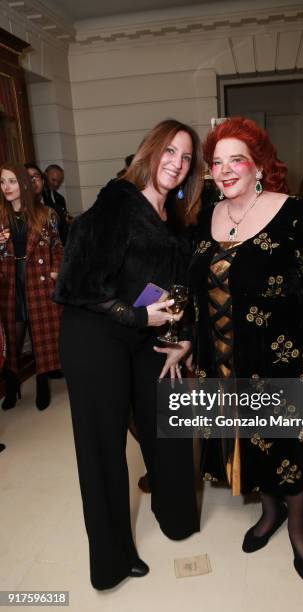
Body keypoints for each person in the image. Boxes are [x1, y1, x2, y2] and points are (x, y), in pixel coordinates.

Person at [54, 119, 203, 590]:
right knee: (103, 449)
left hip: (146, 333)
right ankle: (112, 560)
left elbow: (179, 289)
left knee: (170, 415)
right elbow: (75, 284)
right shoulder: (116, 201)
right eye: (170, 152)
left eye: (186, 157)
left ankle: (175, 516)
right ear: (150, 152)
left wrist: (185, 337)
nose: (176, 164)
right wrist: (140, 318)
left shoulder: (176, 218)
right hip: (94, 334)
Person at [189, 117, 303, 582]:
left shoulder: (297, 213)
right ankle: (269, 514)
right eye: (217, 161)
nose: (226, 168)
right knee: (251, 443)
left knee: (287, 444)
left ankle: (297, 525)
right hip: (224, 360)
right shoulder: (203, 217)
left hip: (281, 356)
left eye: (237, 159)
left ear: (258, 167)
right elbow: (189, 287)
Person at [0, 164, 63, 410]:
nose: (6, 187)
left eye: (12, 181)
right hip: (8, 281)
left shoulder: (45, 214)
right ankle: (12, 384)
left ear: (24, 184)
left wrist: (55, 270)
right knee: (10, 338)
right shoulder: (0, 215)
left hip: (37, 279)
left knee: (41, 336)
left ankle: (42, 382)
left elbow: (57, 247)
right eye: (3, 182)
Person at [25, 163, 70, 246]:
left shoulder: (55, 207)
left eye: (36, 176)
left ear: (42, 180)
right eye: (29, 177)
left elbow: (64, 237)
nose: (33, 180)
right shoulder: (16, 210)